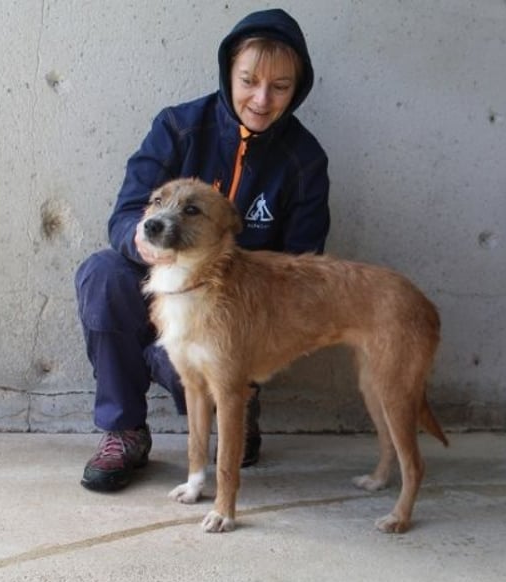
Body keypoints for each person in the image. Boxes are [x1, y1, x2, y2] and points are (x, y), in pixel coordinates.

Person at [75, 8, 330, 492]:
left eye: (279, 86)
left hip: (233, 313)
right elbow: (126, 214)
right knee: (102, 274)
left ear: (298, 88)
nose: (261, 98)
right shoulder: (177, 127)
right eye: (249, 80)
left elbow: (305, 269)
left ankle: (240, 404)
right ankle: (124, 430)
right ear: (227, 72)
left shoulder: (305, 161)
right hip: (160, 283)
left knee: (200, 347)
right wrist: (144, 244)